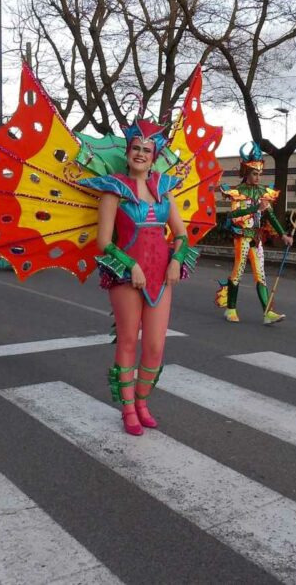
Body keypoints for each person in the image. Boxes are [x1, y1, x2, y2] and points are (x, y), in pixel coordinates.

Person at [79, 122, 197, 436]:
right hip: (126, 275)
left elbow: (181, 234)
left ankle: (142, 402)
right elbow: (104, 241)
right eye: (136, 148)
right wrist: (130, 265)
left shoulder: (164, 186)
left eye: (147, 150)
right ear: (128, 151)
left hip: (161, 275)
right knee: (129, 340)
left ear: (154, 155)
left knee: (156, 346)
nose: (141, 154)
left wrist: (176, 259)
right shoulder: (113, 189)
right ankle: (128, 408)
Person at [215, 141, 294, 325]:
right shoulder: (237, 192)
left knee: (261, 274)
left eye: (259, 174)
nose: (258, 177)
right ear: (246, 173)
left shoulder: (263, 192)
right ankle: (231, 309)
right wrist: (254, 209)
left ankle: (268, 313)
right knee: (238, 272)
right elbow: (233, 215)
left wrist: (283, 234)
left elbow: (270, 215)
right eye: (254, 174)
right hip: (242, 237)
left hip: (256, 239)